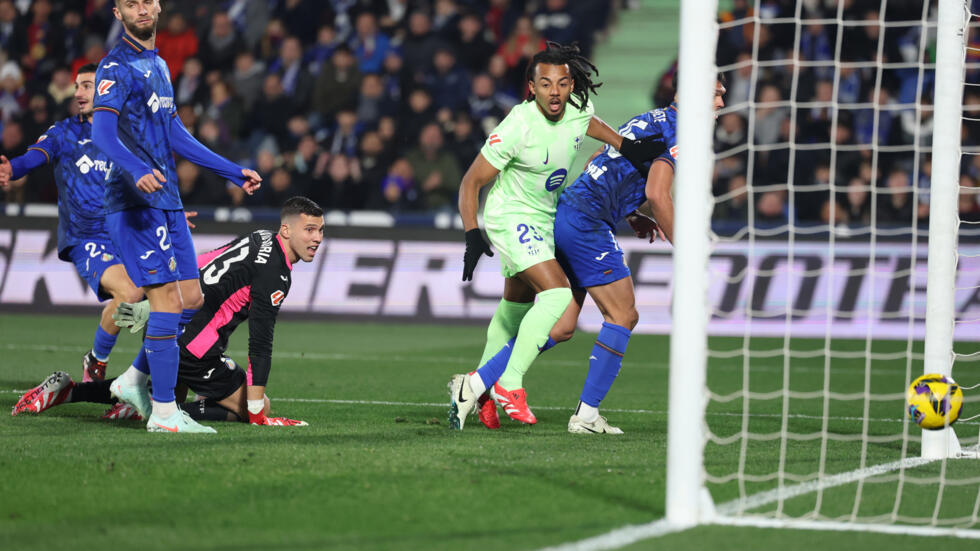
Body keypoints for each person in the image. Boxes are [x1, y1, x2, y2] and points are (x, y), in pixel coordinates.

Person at [468, 76, 728, 434]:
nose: (721, 103)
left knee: (559, 327)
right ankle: (586, 416)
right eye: (716, 93)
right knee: (623, 314)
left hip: (570, 212)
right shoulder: (681, 133)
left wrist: (631, 213)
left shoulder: (649, 119)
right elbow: (658, 193)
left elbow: (600, 156)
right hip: (588, 222)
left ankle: (475, 384)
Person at [448, 42, 666, 429]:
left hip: (547, 213)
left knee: (514, 308)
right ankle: (508, 384)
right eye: (546, 84)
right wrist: (471, 233)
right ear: (532, 88)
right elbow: (471, 182)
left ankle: (477, 388)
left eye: (562, 84)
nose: (555, 92)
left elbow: (588, 123)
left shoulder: (578, 109)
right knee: (558, 295)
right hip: (511, 215)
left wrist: (624, 145)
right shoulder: (517, 125)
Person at [91, 0, 261, 434]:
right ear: (118, 13)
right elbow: (102, 133)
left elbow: (173, 134)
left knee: (191, 299)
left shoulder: (159, 65)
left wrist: (231, 169)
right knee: (166, 301)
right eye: (131, 3)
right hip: (133, 203)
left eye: (147, 0)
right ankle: (164, 413)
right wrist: (135, 170)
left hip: (166, 200)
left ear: (159, 6)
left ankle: (133, 379)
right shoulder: (115, 66)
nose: (141, 8)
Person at [12, 197, 325, 428]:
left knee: (154, 391)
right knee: (255, 403)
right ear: (286, 229)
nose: (317, 239)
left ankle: (68, 391)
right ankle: (155, 409)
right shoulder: (276, 274)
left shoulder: (260, 238)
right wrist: (257, 411)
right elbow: (260, 341)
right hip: (196, 346)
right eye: (309, 230)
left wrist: (160, 302)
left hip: (175, 320)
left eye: (320, 231)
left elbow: (203, 262)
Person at [0, 63, 143, 383]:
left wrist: (169, 211)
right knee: (131, 294)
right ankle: (99, 362)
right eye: (77, 86)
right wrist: (14, 169)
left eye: (87, 86)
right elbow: (34, 155)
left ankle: (137, 375)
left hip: (128, 234)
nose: (78, 93)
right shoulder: (64, 132)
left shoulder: (128, 136)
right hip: (86, 235)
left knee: (150, 300)